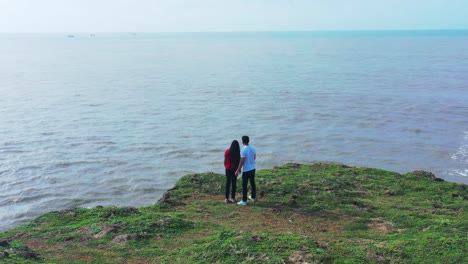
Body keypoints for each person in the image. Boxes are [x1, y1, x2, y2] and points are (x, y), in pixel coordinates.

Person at [235, 135, 256, 206]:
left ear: (242, 141)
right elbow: (254, 157)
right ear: (248, 141)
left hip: (246, 170)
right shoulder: (253, 148)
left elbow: (242, 161)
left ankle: (244, 200)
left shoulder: (243, 150)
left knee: (244, 185)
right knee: (252, 182)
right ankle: (253, 197)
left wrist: (238, 169)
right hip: (253, 168)